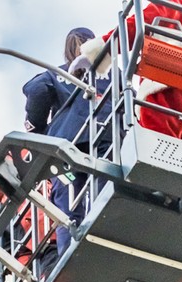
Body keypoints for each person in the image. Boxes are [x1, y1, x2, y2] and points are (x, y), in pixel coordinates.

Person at [74, 0, 182, 143]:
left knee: (154, 135)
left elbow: (133, 28)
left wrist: (95, 54)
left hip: (169, 101)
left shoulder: (169, 6)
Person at [22, 28, 113, 255]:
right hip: (108, 135)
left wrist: (39, 128)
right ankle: (107, 233)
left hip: (67, 146)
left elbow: (35, 90)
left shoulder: (57, 73)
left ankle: (69, 253)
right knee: (107, 188)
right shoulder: (115, 73)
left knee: (67, 202)